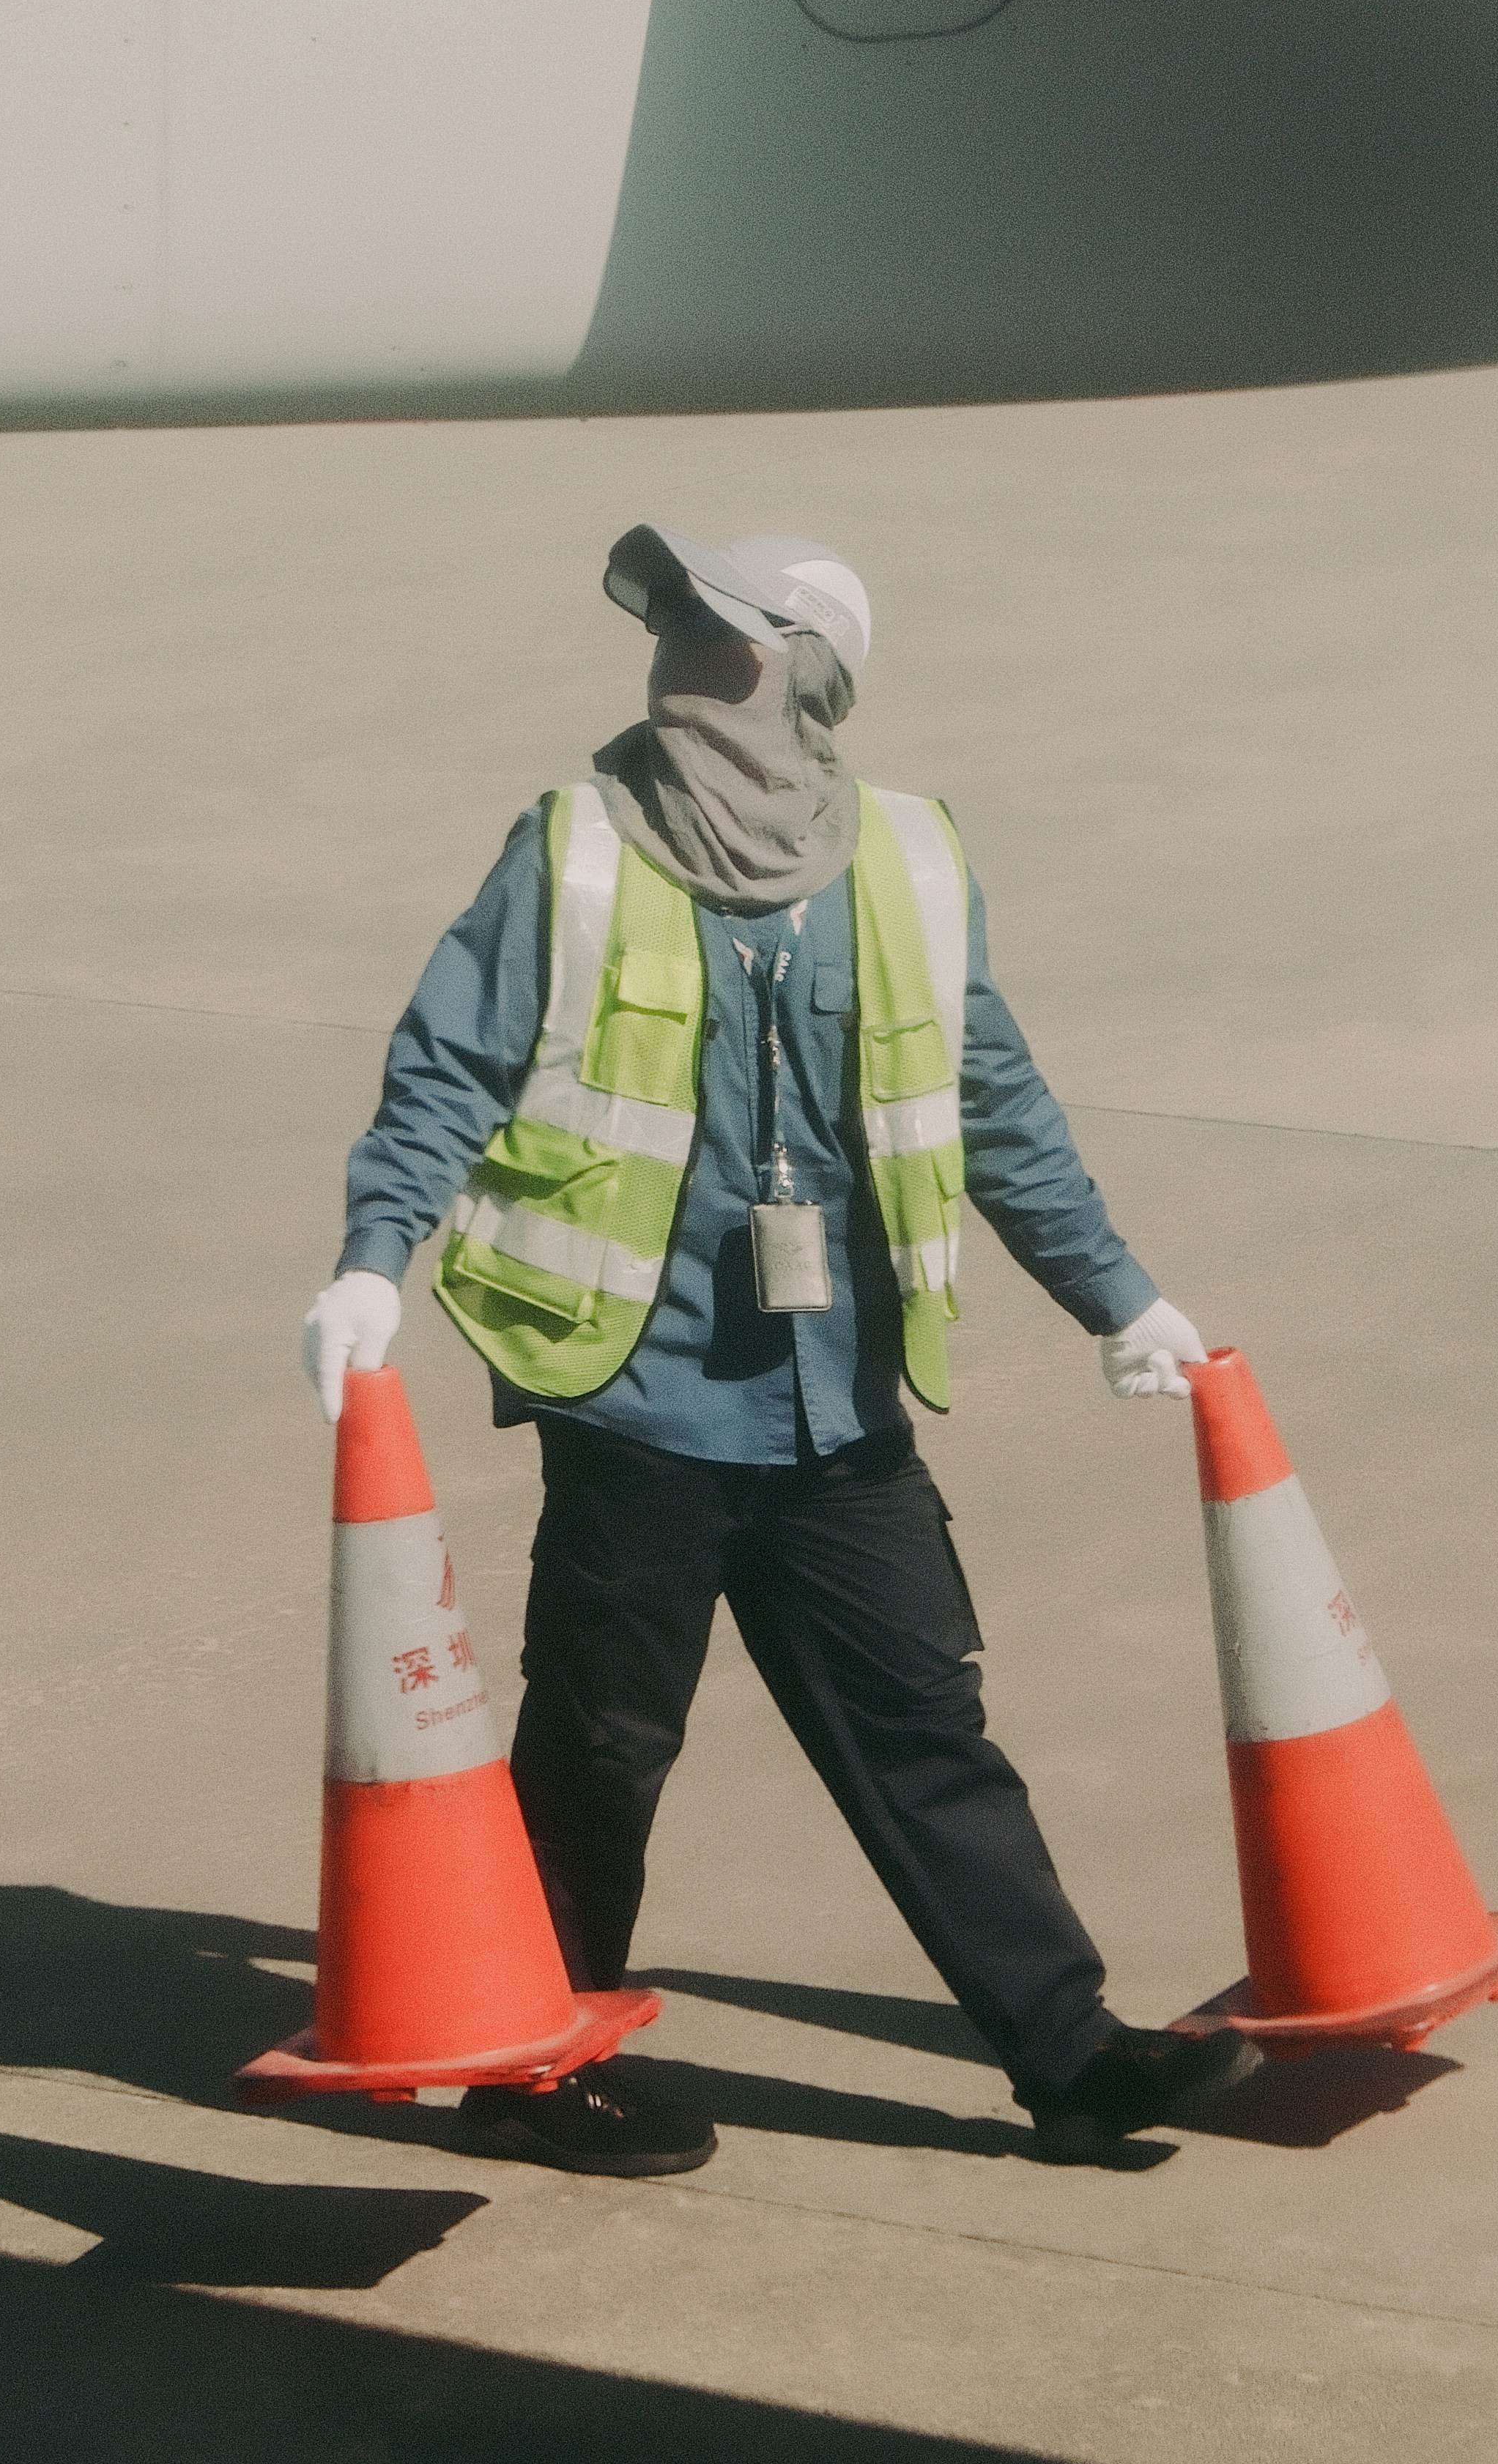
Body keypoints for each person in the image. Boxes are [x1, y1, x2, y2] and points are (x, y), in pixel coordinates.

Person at [297, 527, 1261, 2180]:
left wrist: (1119, 1298)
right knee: (598, 1748)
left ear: (808, 678)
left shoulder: (904, 861)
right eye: (667, 624)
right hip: (640, 1394)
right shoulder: (575, 848)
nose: (678, 654)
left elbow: (992, 1108)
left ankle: (1073, 2058)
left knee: (924, 1732)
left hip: (835, 1414)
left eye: (721, 636)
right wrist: (371, 1257)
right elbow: (446, 1067)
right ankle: (529, 2070)